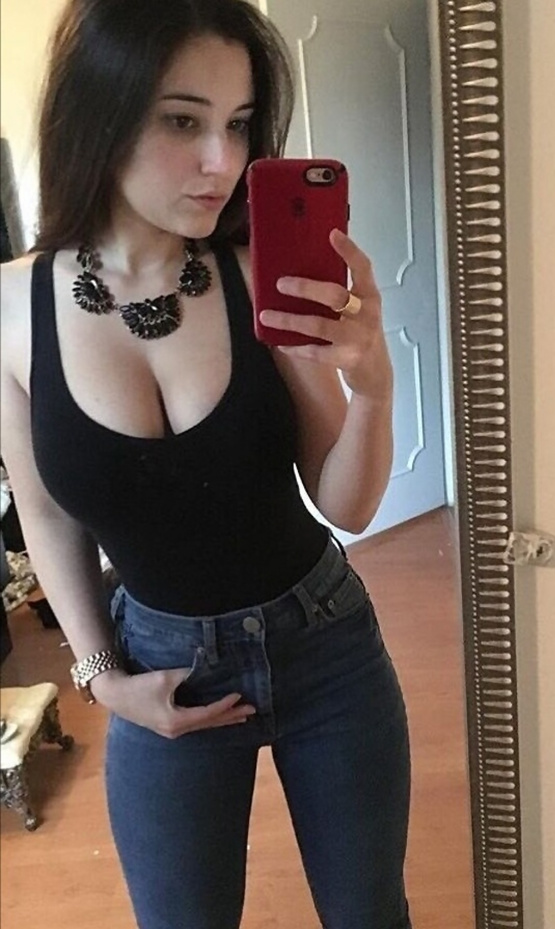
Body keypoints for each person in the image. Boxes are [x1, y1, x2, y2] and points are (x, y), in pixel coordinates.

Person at [0, 1, 412, 927]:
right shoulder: (10, 308)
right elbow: (46, 511)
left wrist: (376, 391)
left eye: (239, 123)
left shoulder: (258, 271)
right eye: (183, 121)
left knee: (370, 915)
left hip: (324, 646)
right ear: (100, 113)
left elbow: (348, 505)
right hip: (162, 668)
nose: (222, 161)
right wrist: (102, 676)